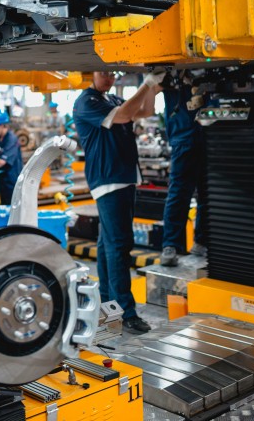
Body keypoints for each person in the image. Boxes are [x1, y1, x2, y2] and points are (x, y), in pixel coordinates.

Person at [73, 70, 162, 335]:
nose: (109, 78)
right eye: (104, 73)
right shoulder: (87, 101)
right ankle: (126, 311)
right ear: (90, 73)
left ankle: (106, 301)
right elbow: (123, 116)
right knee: (119, 244)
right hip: (109, 178)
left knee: (107, 243)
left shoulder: (111, 98)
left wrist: (152, 87)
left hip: (123, 175)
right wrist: (146, 83)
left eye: (113, 74)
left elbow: (144, 112)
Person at [159, 74, 208, 266]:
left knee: (209, 192)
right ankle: (170, 245)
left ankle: (202, 241)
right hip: (183, 136)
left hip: (209, 133)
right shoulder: (171, 72)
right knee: (179, 193)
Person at [0, 109, 23, 206]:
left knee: (12, 209)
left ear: (3, 126)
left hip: (12, 182)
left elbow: (2, 161)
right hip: (3, 181)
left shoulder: (11, 139)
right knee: (4, 206)